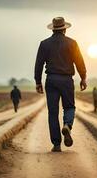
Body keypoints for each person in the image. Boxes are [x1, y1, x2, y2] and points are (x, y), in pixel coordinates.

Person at [34, 17, 87, 152]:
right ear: (64, 29)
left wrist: (38, 82)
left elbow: (38, 64)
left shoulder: (44, 44)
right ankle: (67, 125)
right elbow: (79, 62)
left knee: (52, 112)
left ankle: (56, 144)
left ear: (53, 29)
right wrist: (83, 78)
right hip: (66, 80)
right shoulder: (72, 43)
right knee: (69, 107)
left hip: (51, 80)